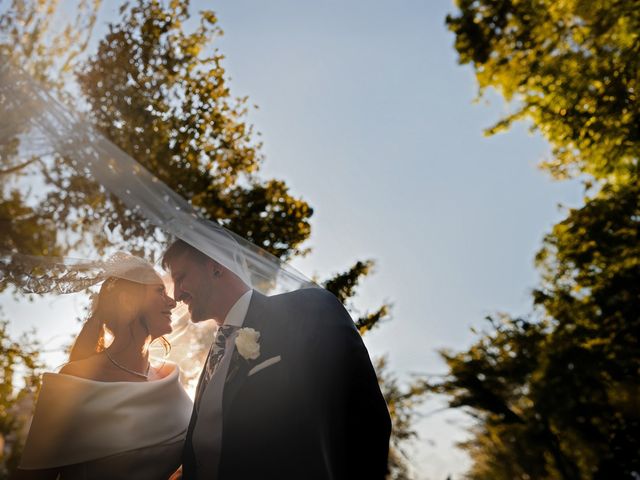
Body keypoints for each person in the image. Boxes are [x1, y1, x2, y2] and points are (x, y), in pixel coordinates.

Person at [162, 239, 392, 480]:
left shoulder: (308, 311)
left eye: (181, 277)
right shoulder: (213, 355)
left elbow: (367, 419)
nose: (176, 294)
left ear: (215, 266)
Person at [14, 256, 193, 480]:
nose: (173, 302)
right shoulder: (73, 381)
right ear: (128, 301)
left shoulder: (170, 377)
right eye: (159, 291)